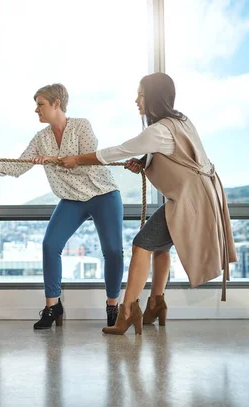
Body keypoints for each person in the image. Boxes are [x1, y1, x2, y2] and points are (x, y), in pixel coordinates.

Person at [57, 72, 237, 335]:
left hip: (191, 201)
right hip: (204, 195)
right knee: (160, 248)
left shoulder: (158, 130)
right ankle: (156, 303)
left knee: (141, 244)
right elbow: (178, 154)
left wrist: (77, 160)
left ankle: (127, 312)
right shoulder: (181, 121)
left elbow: (117, 151)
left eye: (140, 94)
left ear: (152, 96)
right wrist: (145, 162)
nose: (136, 100)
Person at [0, 83, 124, 329]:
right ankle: (53, 307)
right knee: (50, 245)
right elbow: (17, 167)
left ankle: (113, 306)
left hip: (102, 194)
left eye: (40, 104)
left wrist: (54, 160)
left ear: (56, 104)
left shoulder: (81, 125)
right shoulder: (40, 139)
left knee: (113, 250)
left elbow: (89, 159)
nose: (36, 110)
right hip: (71, 199)